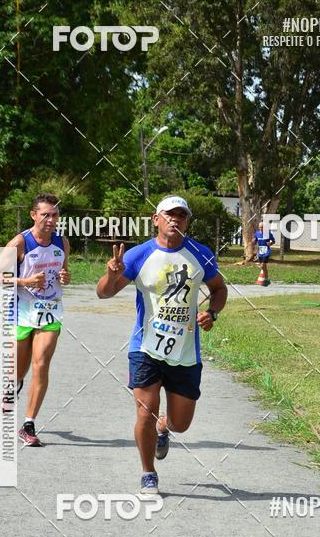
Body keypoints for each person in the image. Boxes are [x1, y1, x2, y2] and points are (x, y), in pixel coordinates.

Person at [96, 195, 228, 494]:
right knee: (145, 410)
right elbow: (104, 294)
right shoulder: (139, 255)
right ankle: (148, 472)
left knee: (181, 424)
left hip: (186, 351)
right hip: (145, 348)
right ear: (156, 219)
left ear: (187, 222)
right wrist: (111, 275)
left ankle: (163, 427)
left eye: (181, 216)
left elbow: (219, 288)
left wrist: (212, 313)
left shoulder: (200, 254)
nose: (175, 220)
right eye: (169, 215)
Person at [2, 193, 70, 446]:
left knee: (41, 364)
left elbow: (63, 271)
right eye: (45, 215)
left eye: (54, 215)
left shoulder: (62, 243)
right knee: (20, 369)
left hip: (50, 310)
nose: (51, 220)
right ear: (33, 215)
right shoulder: (20, 243)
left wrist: (65, 277)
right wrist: (24, 281)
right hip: (21, 312)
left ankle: (28, 424)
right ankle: (14, 385)